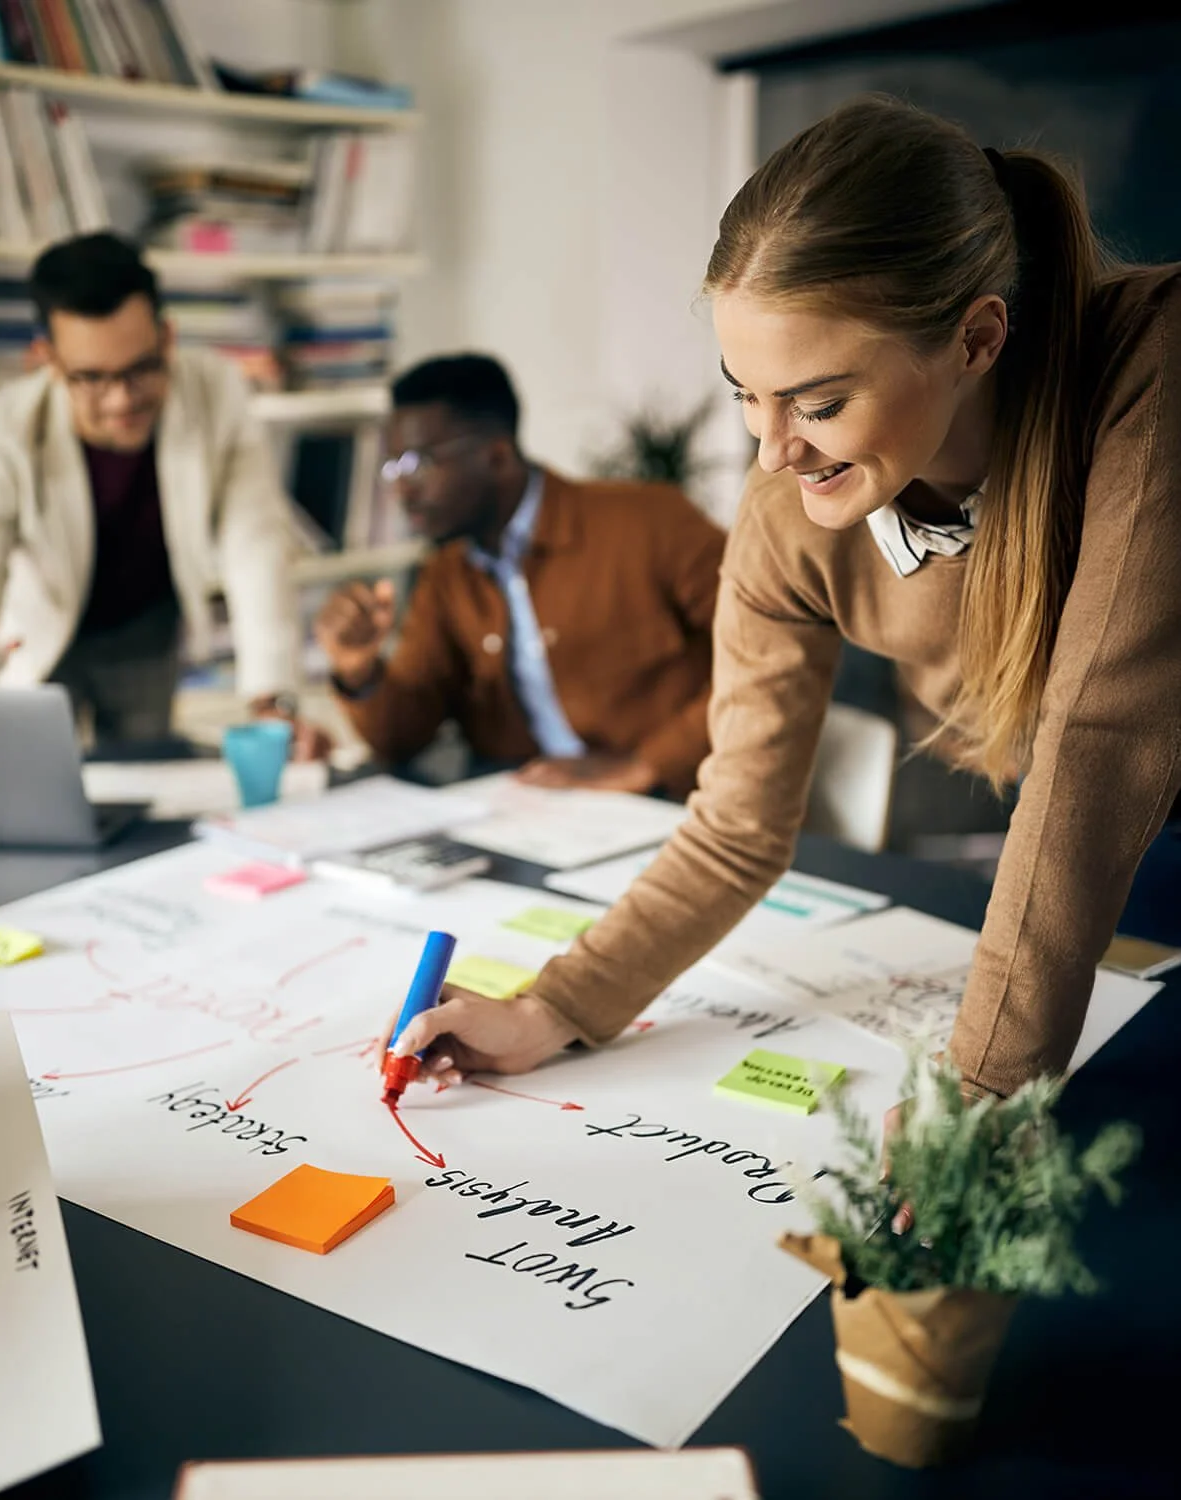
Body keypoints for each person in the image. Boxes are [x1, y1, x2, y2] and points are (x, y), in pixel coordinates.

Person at [388, 96, 1181, 1104]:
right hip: (1091, 841)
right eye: (744, 394)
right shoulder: (787, 510)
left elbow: (1096, 748)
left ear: (976, 341)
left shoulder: (1150, 370)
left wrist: (977, 1096)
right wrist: (553, 1006)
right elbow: (736, 825)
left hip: (1114, 807)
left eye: (818, 403)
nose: (772, 453)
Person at [313, 353, 727, 799]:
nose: (400, 489)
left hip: (677, 804)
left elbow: (772, 657)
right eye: (392, 466)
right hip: (528, 811)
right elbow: (402, 738)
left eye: (418, 465)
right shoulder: (445, 575)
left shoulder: (650, 521)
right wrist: (359, 671)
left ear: (497, 455)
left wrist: (647, 763)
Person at [0, 232, 327, 755]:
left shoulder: (217, 391)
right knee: (37, 789)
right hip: (44, 634)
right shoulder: (6, 427)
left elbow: (254, 543)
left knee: (146, 785)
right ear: (47, 360)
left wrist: (271, 700)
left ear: (168, 338)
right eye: (93, 378)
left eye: (142, 368)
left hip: (147, 635)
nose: (122, 399)